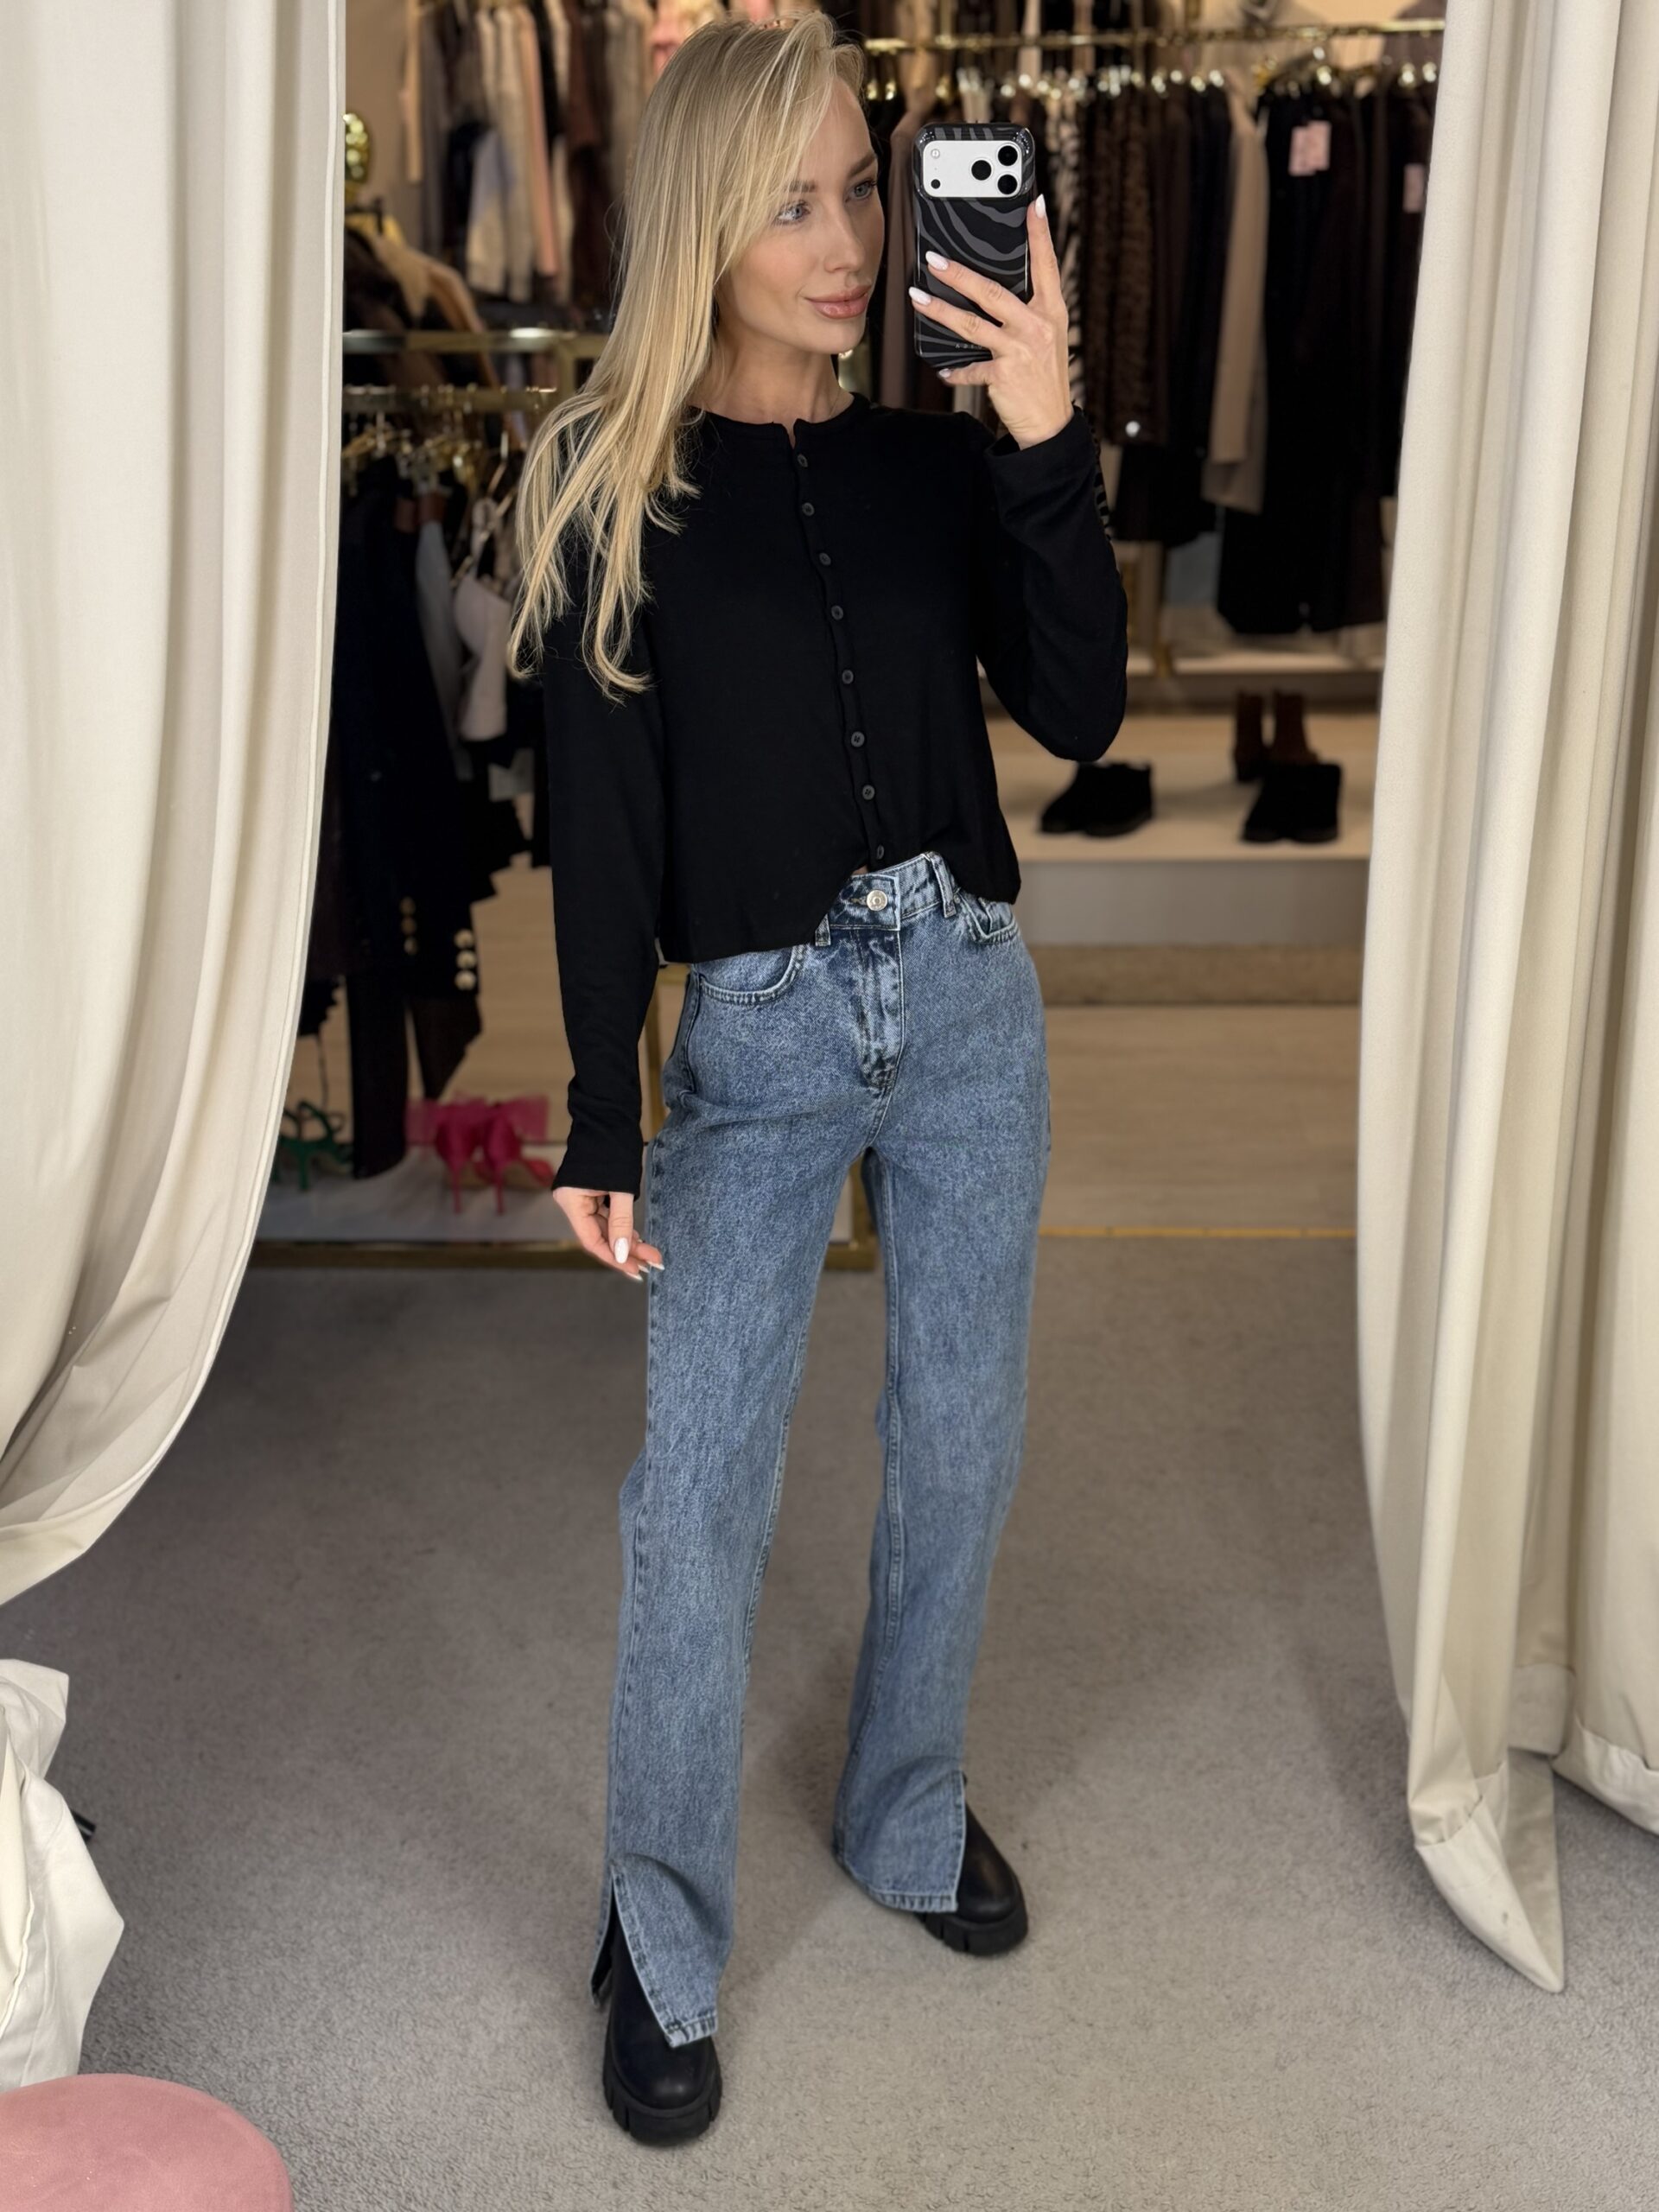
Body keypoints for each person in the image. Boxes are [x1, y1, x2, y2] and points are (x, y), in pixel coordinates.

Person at [508, 8, 1127, 2145]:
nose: (847, 241)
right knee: (696, 1498)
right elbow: (604, 840)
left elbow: (1082, 713)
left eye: (862, 188)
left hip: (966, 1006)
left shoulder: (932, 463)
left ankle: (904, 1803)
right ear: (704, 218)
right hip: (759, 1043)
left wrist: (1043, 436)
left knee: (963, 1438)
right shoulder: (607, 485)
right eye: (792, 203)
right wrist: (602, 1105)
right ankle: (657, 1924)